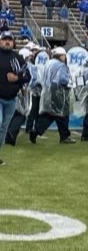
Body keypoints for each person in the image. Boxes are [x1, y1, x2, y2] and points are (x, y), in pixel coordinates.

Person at [32, 47, 74, 144]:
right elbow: (62, 80)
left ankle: (36, 130)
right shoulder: (62, 66)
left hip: (46, 91)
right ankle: (64, 137)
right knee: (62, 113)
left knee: (49, 114)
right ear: (61, 55)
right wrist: (71, 83)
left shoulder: (48, 63)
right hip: (57, 91)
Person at [0, 31, 30, 163]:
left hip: (11, 99)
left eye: (9, 40)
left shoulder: (18, 58)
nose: (7, 42)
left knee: (3, 129)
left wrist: (17, 78)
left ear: (13, 42)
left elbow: (27, 76)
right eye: (4, 39)